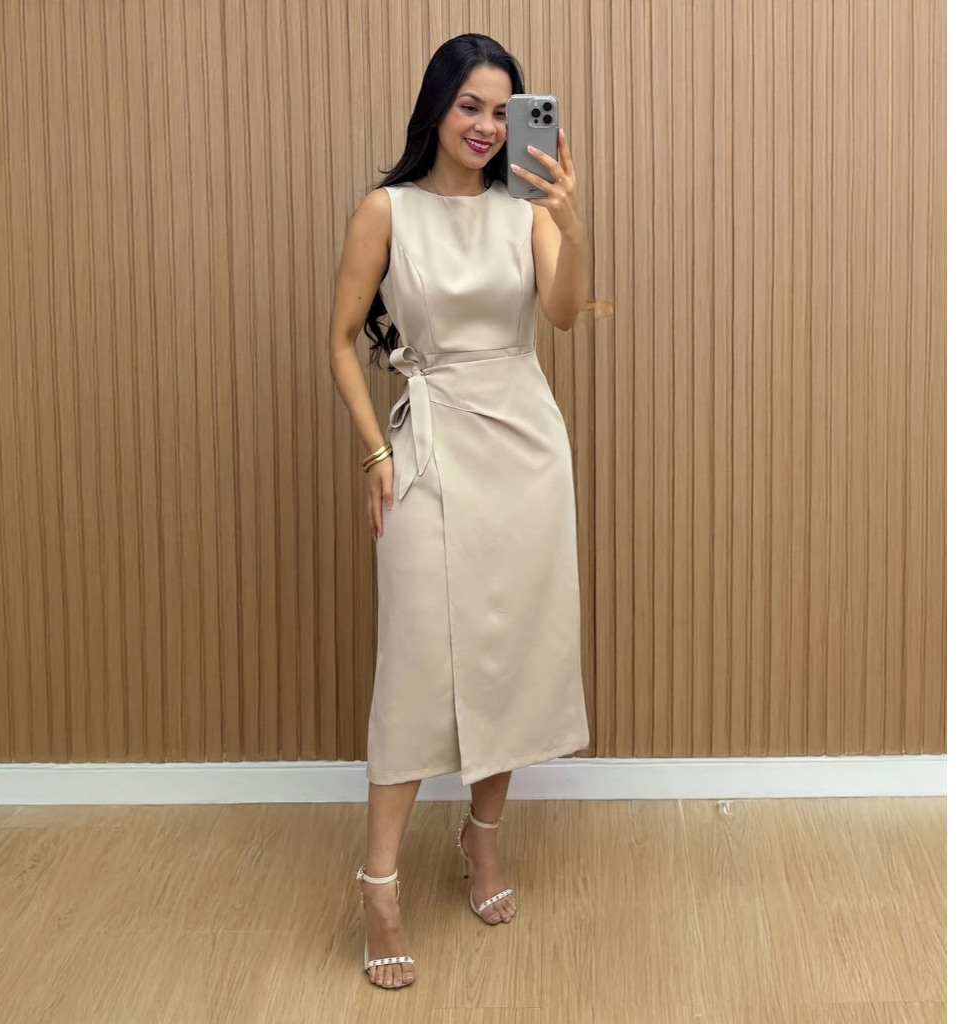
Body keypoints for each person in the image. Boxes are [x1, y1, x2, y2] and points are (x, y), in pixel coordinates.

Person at [328, 33, 591, 990]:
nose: (484, 125)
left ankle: (483, 836)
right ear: (437, 105)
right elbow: (340, 339)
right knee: (414, 663)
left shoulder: (526, 208)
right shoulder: (386, 209)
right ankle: (379, 883)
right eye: (469, 105)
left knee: (510, 646)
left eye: (500, 109)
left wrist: (569, 217)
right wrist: (375, 449)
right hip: (431, 444)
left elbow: (563, 312)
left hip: (525, 447)